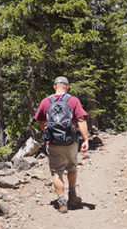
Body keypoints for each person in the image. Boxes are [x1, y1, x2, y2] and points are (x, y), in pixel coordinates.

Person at [34, 76, 89, 213]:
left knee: (56, 171)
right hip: (70, 141)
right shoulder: (73, 100)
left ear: (54, 86)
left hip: (52, 142)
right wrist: (86, 139)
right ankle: (73, 196)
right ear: (67, 87)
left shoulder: (46, 102)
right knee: (72, 167)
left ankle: (62, 201)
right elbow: (81, 120)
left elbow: (41, 121)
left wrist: (48, 132)